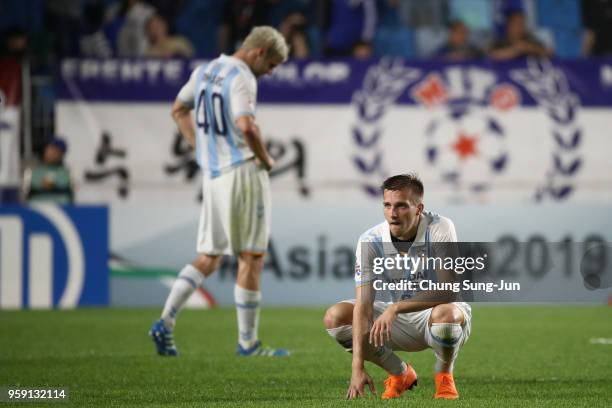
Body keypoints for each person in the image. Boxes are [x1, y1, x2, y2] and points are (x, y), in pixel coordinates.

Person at [149, 26, 290, 357]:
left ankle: (165, 322)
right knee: (251, 256)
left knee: (209, 256)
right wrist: (265, 158)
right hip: (242, 171)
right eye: (271, 65)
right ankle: (248, 344)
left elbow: (178, 109)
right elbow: (245, 124)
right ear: (259, 52)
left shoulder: (205, 70)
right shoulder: (242, 77)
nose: (270, 72)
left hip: (213, 175)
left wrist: (201, 147)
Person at [324, 174, 471, 400]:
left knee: (447, 316)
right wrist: (356, 369)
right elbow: (363, 305)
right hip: (399, 317)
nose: (393, 213)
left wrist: (394, 309)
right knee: (336, 317)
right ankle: (399, 373)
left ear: (418, 208)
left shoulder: (440, 227)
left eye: (401, 206)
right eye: (387, 205)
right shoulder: (370, 241)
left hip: (434, 312)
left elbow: (448, 290)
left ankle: (444, 375)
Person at [23, 137, 74, 204]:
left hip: (62, 210)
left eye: (58, 151)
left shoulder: (68, 172)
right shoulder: (31, 172)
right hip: (35, 209)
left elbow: (72, 196)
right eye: (51, 149)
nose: (54, 153)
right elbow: (24, 196)